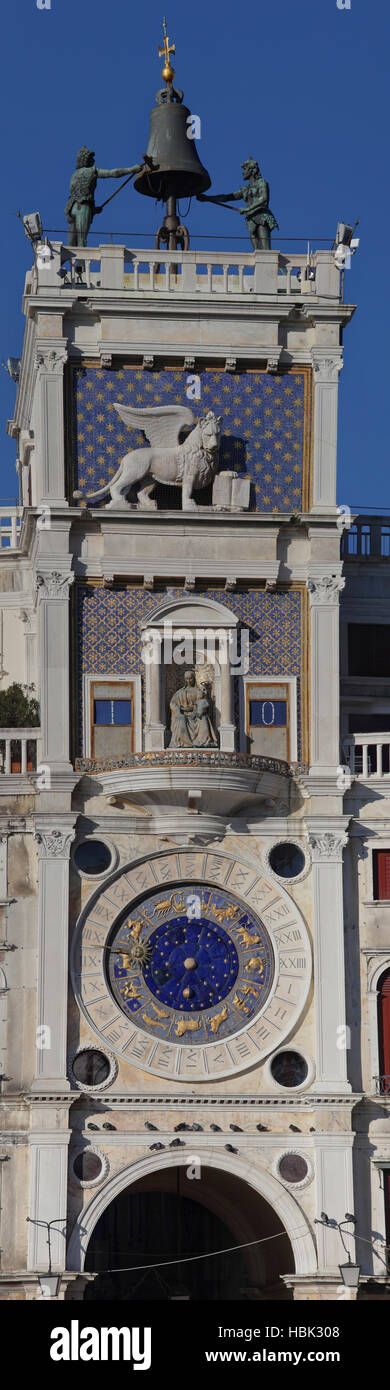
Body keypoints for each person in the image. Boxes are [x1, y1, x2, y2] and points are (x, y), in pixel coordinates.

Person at [65, 146, 146, 247]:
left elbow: (78, 192)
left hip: (71, 209)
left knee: (71, 244)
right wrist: (131, 170)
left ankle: (68, 262)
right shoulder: (92, 171)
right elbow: (113, 173)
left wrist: (93, 210)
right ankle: (81, 263)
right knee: (82, 240)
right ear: (86, 160)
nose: (93, 161)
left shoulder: (75, 174)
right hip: (84, 207)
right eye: (91, 158)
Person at [197, 157, 278, 251]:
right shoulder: (245, 189)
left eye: (244, 169)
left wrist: (248, 209)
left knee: (266, 251)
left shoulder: (262, 183)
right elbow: (227, 197)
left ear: (252, 170)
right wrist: (208, 198)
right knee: (257, 252)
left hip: (262, 217)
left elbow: (263, 199)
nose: (242, 172)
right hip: (251, 220)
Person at [169, 670, 217, 748]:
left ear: (194, 678)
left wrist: (197, 710)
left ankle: (203, 741)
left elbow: (203, 703)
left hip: (196, 714)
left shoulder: (199, 691)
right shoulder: (180, 692)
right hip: (184, 714)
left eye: (190, 679)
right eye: (187, 679)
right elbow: (172, 703)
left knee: (203, 718)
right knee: (181, 719)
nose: (189, 681)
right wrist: (180, 709)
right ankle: (184, 743)